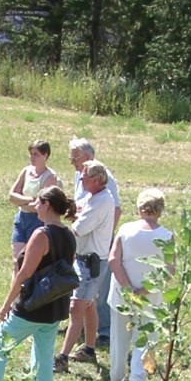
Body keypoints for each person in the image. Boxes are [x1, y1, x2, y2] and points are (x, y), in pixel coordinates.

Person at [0, 185, 77, 381]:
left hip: (33, 307)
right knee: (44, 354)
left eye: (38, 202)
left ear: (47, 205)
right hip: (56, 306)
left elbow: (25, 273)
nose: (34, 206)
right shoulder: (69, 234)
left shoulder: (41, 235)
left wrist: (6, 304)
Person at [107, 188, 173, 381]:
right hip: (150, 297)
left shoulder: (126, 230)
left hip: (122, 294)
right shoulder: (167, 236)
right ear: (160, 210)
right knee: (145, 337)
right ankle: (137, 378)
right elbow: (169, 270)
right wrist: (145, 289)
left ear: (139, 208)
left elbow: (113, 260)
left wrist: (128, 288)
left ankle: (116, 376)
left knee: (119, 337)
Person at [53, 160, 116, 373]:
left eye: (85, 176)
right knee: (89, 305)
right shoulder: (95, 197)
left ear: (97, 180)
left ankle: (62, 358)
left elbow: (78, 229)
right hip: (87, 260)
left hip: (91, 263)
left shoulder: (101, 202)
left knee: (76, 307)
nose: (81, 179)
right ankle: (89, 349)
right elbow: (77, 211)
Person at [67, 136, 121, 345]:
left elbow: (116, 209)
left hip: (99, 242)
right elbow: (82, 205)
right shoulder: (81, 176)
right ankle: (81, 330)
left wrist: (106, 238)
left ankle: (105, 331)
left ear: (87, 157)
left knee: (99, 289)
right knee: (85, 294)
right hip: (86, 239)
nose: (72, 162)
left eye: (75, 158)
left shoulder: (104, 180)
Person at [8, 140, 61, 262]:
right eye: (31, 154)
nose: (32, 157)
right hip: (21, 218)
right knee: (16, 260)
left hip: (37, 220)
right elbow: (11, 196)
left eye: (36, 154)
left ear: (45, 155)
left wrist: (21, 201)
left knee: (30, 260)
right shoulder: (26, 171)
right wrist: (29, 199)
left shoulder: (50, 177)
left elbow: (39, 206)